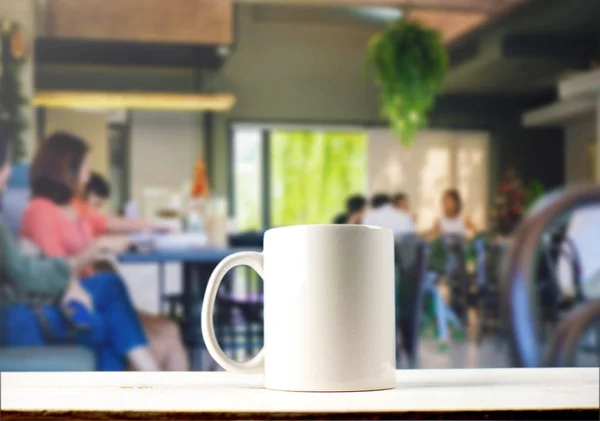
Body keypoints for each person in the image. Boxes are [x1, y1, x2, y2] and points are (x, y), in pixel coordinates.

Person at [20, 131, 188, 371]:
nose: (88, 177)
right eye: (85, 169)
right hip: (67, 302)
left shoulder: (75, 209)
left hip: (94, 298)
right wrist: (98, 247)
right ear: (66, 170)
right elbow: (56, 273)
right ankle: (152, 378)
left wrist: (157, 225)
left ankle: (168, 400)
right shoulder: (40, 211)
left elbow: (109, 222)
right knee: (111, 287)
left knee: (158, 331)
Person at [79, 171, 168, 236]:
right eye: (97, 204)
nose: (96, 209)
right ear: (92, 194)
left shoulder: (80, 210)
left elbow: (106, 225)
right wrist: (153, 225)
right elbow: (108, 223)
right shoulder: (82, 210)